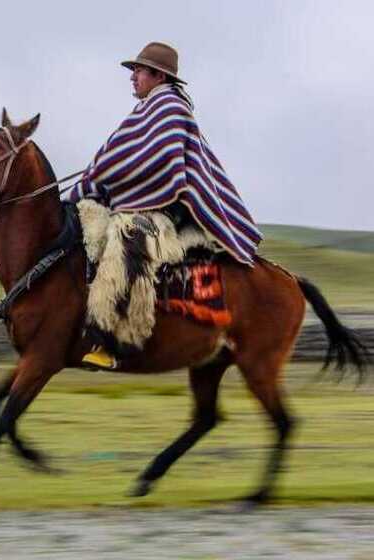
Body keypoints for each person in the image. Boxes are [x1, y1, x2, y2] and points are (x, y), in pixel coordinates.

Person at [65, 41, 262, 369]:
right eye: (134, 72)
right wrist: (89, 183)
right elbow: (115, 157)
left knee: (126, 239)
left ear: (157, 75)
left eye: (138, 71)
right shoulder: (144, 110)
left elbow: (162, 162)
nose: (132, 78)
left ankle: (116, 339)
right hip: (136, 205)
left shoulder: (171, 107)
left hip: (165, 212)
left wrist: (115, 172)